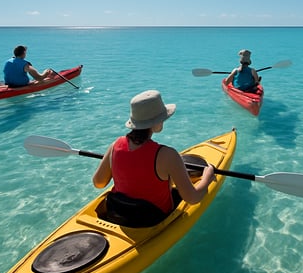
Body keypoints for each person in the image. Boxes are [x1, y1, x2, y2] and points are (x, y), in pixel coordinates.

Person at [92, 90, 216, 227]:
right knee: (179, 191)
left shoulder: (115, 145)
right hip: (152, 219)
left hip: (118, 212)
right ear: (155, 123)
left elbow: (99, 183)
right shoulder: (168, 155)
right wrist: (207, 177)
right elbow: (192, 198)